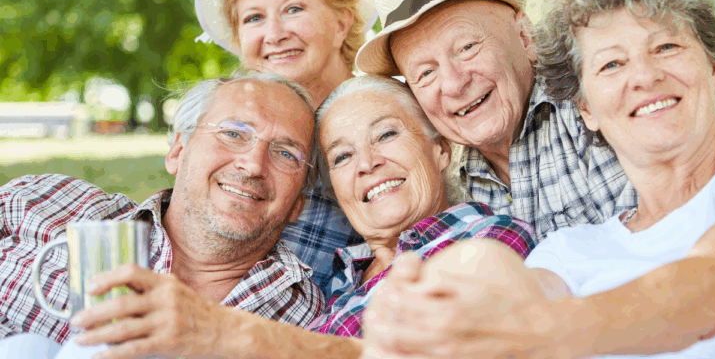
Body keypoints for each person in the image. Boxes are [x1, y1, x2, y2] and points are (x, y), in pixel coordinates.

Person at [362, 0, 715, 359]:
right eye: (612, 65)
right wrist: (427, 312)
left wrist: (540, 331)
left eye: (667, 47)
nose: (644, 77)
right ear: (587, 106)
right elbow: (497, 280)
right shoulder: (570, 247)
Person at [70, 75, 535, 359]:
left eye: (387, 134)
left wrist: (224, 332)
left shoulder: (487, 236)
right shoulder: (328, 281)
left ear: (439, 150)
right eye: (342, 155)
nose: (366, 163)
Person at [0, 72, 323, 349]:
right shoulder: (47, 205)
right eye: (234, 133)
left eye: (285, 154)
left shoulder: (307, 324)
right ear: (178, 152)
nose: (253, 164)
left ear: (298, 203)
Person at [355, 0, 637, 242]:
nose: (453, 84)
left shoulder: (592, 103)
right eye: (426, 73)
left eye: (467, 48)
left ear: (526, 37)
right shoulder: (439, 184)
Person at [194, 0, 382, 295]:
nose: (274, 34)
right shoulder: (227, 131)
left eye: (293, 9)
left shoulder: (383, 117)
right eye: (253, 18)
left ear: (342, 24)